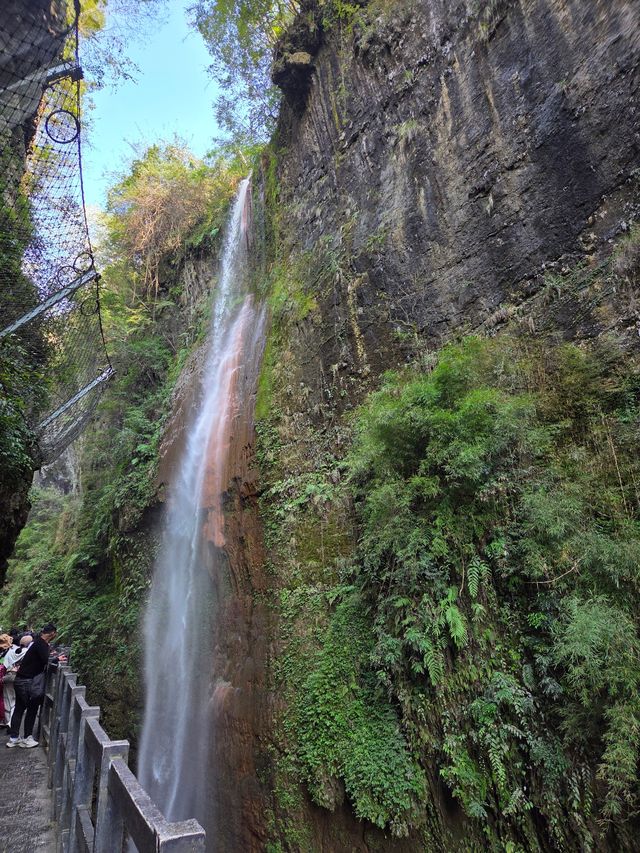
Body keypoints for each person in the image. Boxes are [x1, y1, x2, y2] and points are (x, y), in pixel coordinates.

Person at [6, 623, 57, 749]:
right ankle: (27, 737)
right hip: (28, 681)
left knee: (19, 708)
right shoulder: (42, 644)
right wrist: (57, 659)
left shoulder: (36, 643)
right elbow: (46, 660)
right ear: (52, 633)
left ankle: (13, 738)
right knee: (32, 708)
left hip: (20, 679)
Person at [2, 634, 31, 727]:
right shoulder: (27, 652)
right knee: (15, 701)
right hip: (18, 678)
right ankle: (11, 723)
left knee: (7, 699)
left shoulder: (10, 651)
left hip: (7, 676)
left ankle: (7, 722)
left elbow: (4, 664)